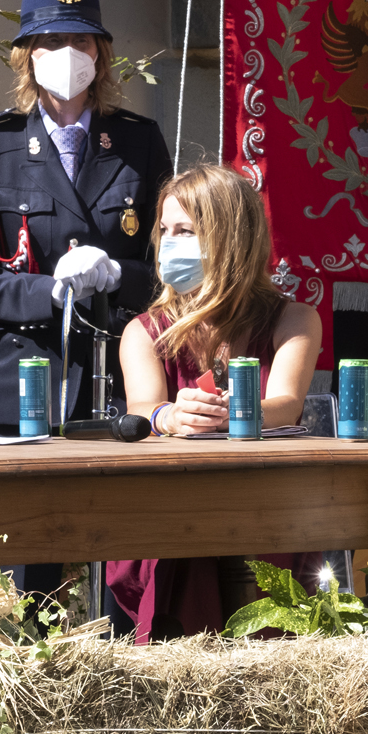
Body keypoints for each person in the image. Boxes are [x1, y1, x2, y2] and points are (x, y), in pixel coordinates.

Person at [0, 0, 172, 595]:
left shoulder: (137, 141)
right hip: (25, 381)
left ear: (99, 53)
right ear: (27, 55)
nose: (66, 53)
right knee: (26, 581)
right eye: (51, 41)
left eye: (78, 39)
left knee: (127, 570)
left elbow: (169, 266)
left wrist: (115, 276)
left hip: (119, 379)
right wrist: (52, 289)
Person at [110, 163, 324, 642]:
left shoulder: (295, 319)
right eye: (163, 231)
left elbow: (286, 403)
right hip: (175, 507)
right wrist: (170, 416)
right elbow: (144, 408)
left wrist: (232, 415)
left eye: (184, 231)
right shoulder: (144, 331)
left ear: (231, 237)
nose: (168, 244)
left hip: (269, 506)